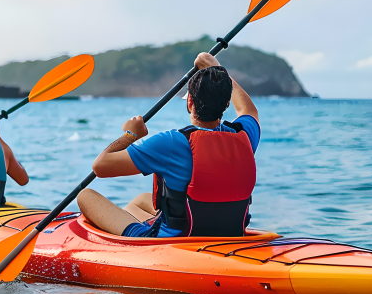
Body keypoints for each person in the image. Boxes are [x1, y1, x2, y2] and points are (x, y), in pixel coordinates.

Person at [77, 53, 260, 237]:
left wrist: (131, 134)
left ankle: (134, 239)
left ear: (190, 102)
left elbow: (100, 166)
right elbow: (247, 110)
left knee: (85, 196)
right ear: (226, 103)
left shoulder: (172, 143)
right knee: (141, 200)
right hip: (229, 233)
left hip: (175, 241)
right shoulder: (244, 135)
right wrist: (216, 69)